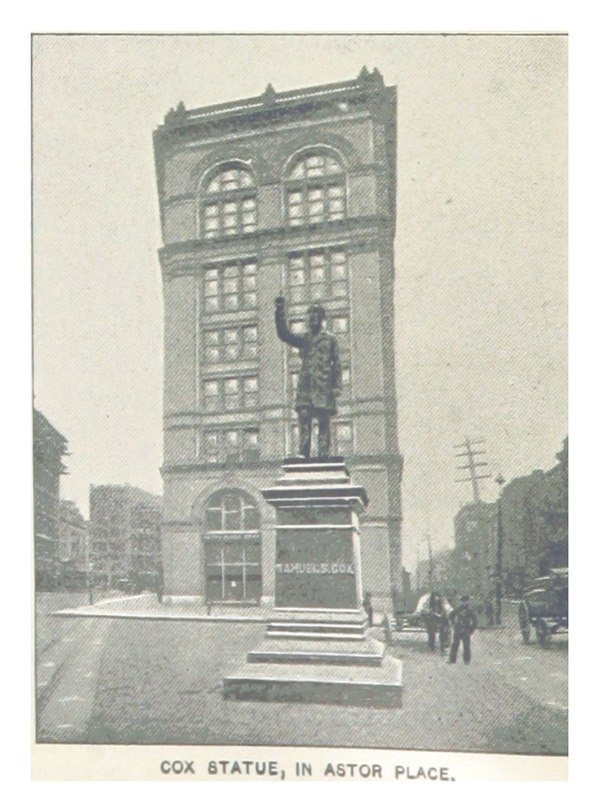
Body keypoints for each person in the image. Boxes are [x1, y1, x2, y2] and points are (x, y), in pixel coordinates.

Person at [275, 296, 342, 458]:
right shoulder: (304, 338)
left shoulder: (331, 339)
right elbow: (285, 335)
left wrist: (337, 386)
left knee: (323, 421)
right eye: (310, 315)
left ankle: (323, 454)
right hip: (306, 385)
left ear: (321, 318)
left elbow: (336, 363)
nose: (313, 318)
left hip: (324, 386)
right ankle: (303, 453)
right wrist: (279, 312)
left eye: (316, 315)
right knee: (304, 418)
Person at [448, 595, 478, 664]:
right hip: (458, 628)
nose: (462, 603)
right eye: (461, 601)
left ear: (467, 602)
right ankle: (452, 659)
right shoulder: (458, 608)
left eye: (464, 601)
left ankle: (467, 660)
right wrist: (453, 624)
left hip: (466, 628)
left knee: (466, 645)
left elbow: (475, 620)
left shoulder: (470, 610)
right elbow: (451, 616)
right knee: (455, 644)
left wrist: (471, 628)